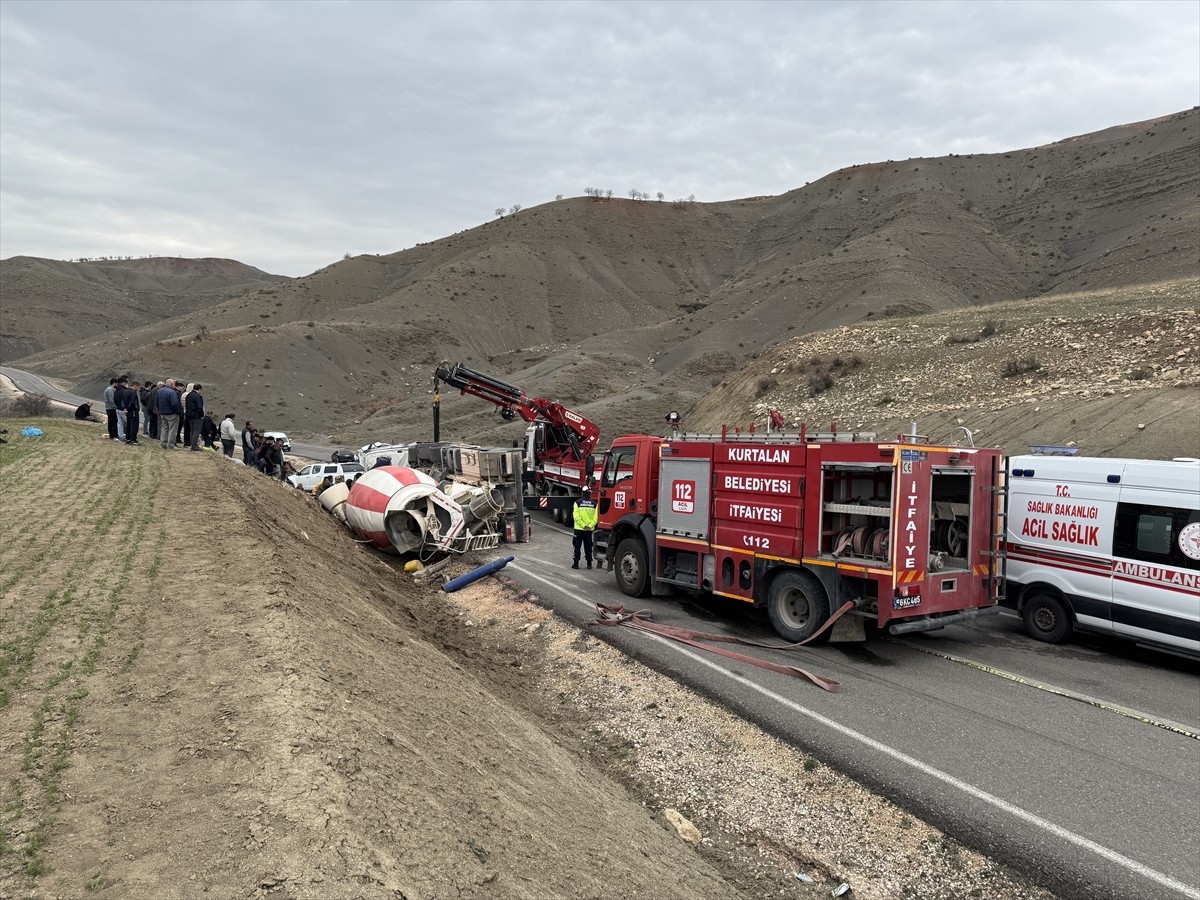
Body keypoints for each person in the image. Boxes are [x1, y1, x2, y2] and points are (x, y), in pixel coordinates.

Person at [571, 484, 598, 569]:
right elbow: (596, 518)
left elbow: (576, 517)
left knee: (577, 546)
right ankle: (589, 564)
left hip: (579, 529)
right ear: (590, 493)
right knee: (588, 547)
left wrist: (583, 526)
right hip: (589, 530)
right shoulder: (594, 504)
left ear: (582, 493)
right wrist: (589, 526)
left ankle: (576, 564)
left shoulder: (577, 503)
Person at [156, 378, 182, 449]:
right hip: (172, 414)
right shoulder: (172, 392)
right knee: (172, 430)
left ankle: (163, 443)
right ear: (171, 384)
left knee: (164, 428)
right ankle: (170, 445)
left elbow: (157, 402)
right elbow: (174, 404)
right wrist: (177, 412)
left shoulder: (159, 391)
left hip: (163, 413)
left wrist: (160, 410)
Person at [114, 376, 140, 445]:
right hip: (133, 411)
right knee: (134, 425)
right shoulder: (133, 393)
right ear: (135, 386)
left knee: (128, 424)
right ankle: (133, 439)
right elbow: (132, 402)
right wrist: (128, 408)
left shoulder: (126, 391)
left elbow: (122, 401)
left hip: (127, 411)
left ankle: (128, 438)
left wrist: (125, 408)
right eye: (138, 387)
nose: (138, 389)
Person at [185, 384, 205, 450]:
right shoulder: (197, 396)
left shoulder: (188, 395)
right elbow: (199, 407)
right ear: (199, 389)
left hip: (189, 415)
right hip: (196, 416)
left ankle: (192, 443)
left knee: (192, 430)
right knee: (196, 431)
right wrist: (202, 415)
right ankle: (194, 445)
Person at [103, 378, 121, 442]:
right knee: (114, 422)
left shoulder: (108, 389)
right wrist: (115, 406)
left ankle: (112, 435)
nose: (117, 385)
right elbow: (111, 399)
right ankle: (114, 436)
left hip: (109, 408)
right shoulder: (110, 390)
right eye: (117, 384)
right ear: (114, 383)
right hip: (111, 408)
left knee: (111, 422)